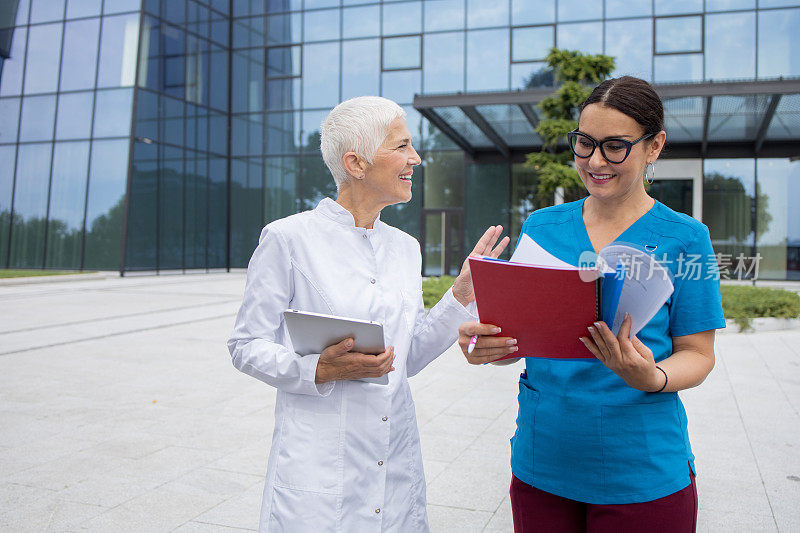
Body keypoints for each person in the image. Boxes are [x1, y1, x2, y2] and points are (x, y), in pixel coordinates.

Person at [227, 96, 508, 532]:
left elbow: (407, 356)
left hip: (392, 462)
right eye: (401, 146)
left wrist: (459, 294)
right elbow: (244, 346)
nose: (415, 158)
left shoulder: (404, 247)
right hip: (317, 466)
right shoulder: (287, 240)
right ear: (356, 164)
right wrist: (315, 369)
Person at [458, 76, 725, 532]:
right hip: (544, 461)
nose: (595, 161)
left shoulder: (686, 239)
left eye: (615, 146)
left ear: (654, 146)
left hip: (641, 470)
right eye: (584, 143)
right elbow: (524, 336)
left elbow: (698, 356)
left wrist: (653, 376)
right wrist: (490, 346)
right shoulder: (542, 227)